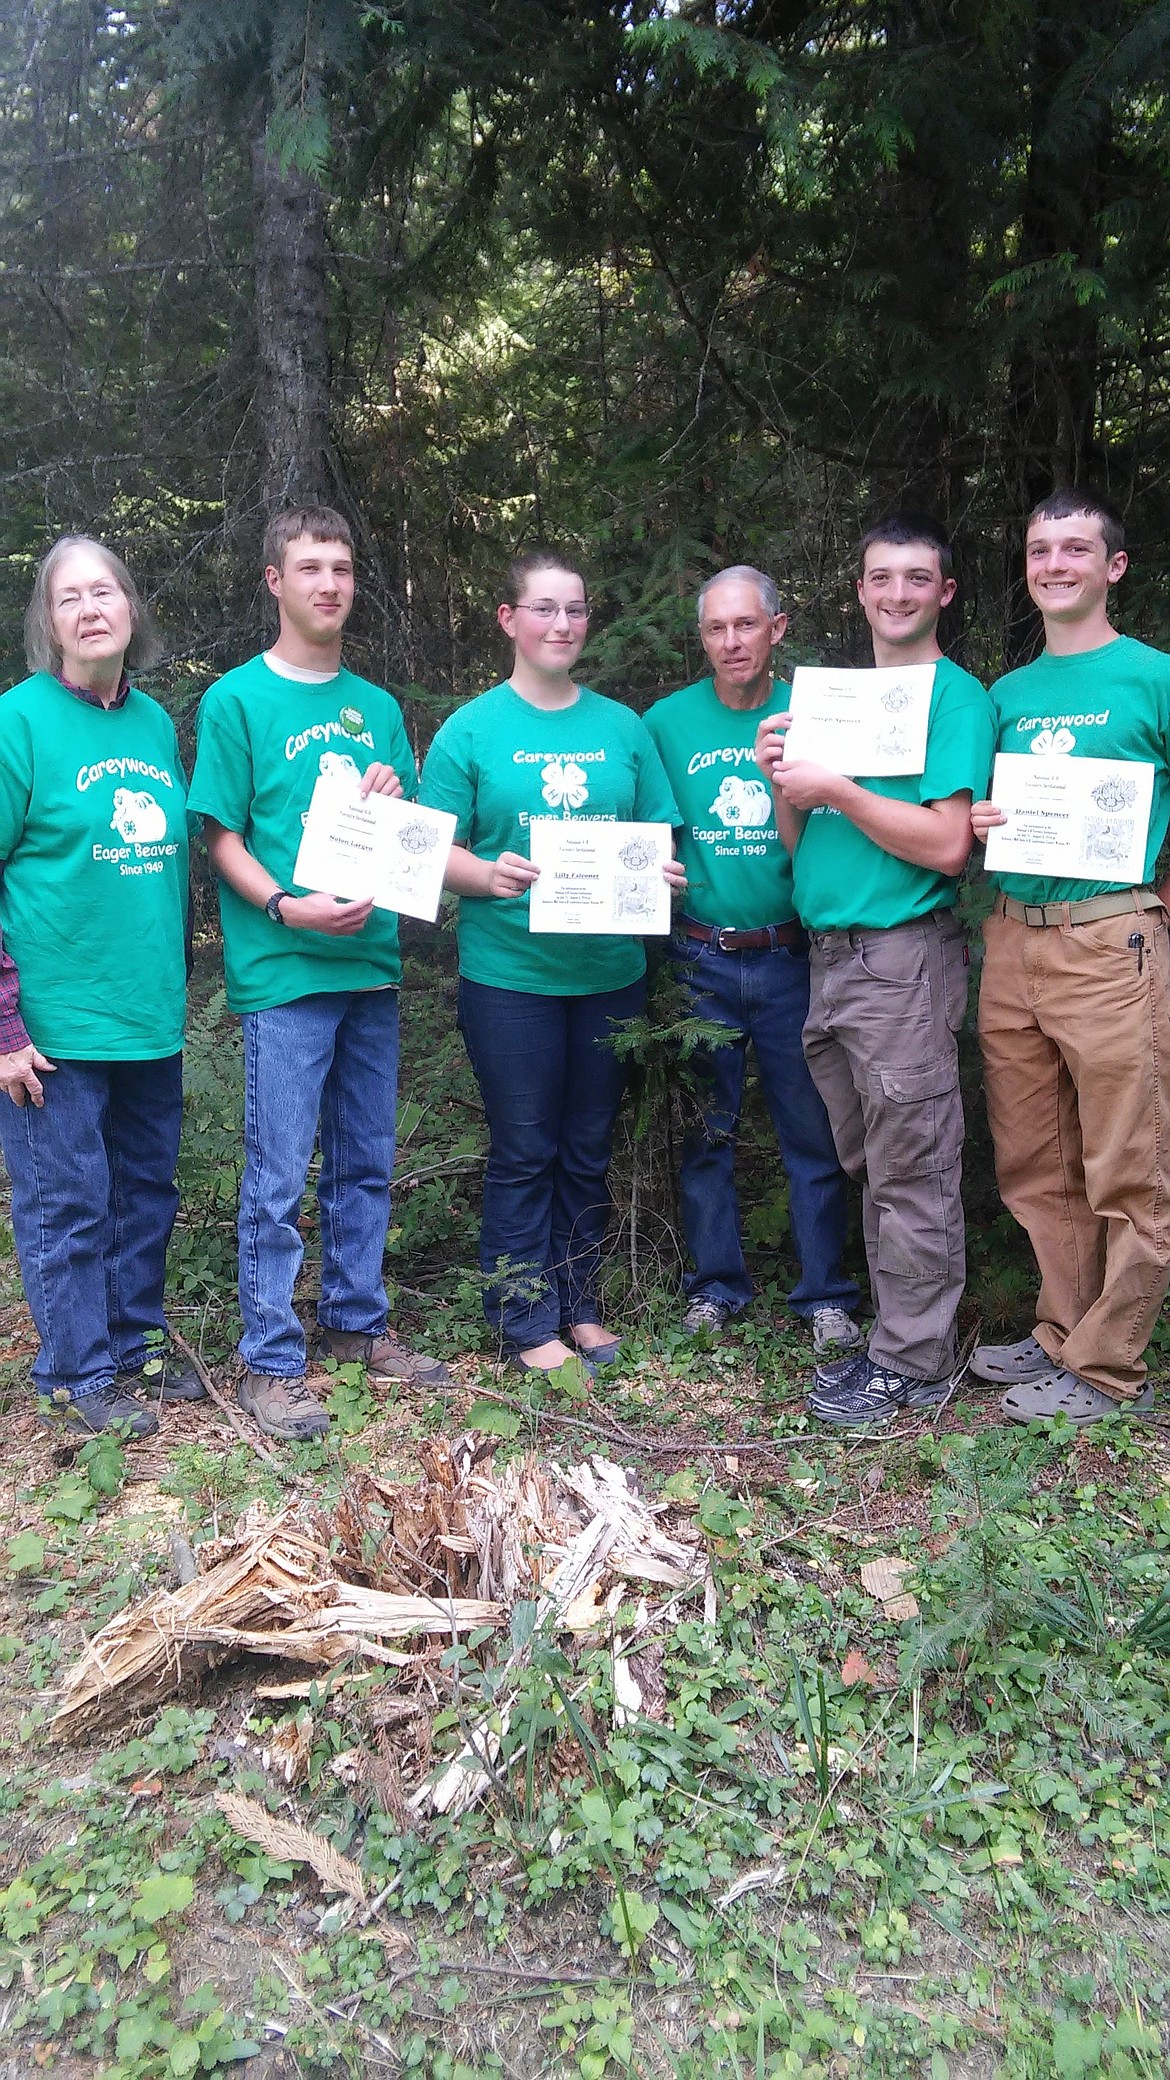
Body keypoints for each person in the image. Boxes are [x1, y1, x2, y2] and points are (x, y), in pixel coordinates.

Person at [188, 505, 448, 1442]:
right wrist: (283, 907)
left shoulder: (376, 708)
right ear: (275, 581)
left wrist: (389, 798)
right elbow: (218, 832)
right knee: (278, 1172)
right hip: (285, 964)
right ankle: (268, 1358)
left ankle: (354, 1325)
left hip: (368, 965)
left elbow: (406, 840)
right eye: (310, 568)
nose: (329, 584)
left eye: (341, 567)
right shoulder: (237, 700)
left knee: (367, 1162)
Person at [418, 546, 683, 1377]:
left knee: (586, 1148)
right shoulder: (472, 728)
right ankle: (523, 1314)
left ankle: (582, 1304)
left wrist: (664, 873)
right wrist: (484, 875)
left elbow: (659, 838)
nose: (562, 624)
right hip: (511, 979)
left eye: (574, 610)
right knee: (525, 1148)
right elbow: (429, 852)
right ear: (509, 619)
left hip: (609, 974)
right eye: (544, 608)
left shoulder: (620, 727)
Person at [757, 514, 995, 1425]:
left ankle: (914, 1362)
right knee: (874, 1159)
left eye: (917, 578)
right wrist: (783, 778)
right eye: (880, 577)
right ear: (859, 590)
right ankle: (904, 1335)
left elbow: (944, 847)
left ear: (945, 592)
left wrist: (842, 790)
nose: (897, 594)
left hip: (899, 957)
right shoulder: (839, 702)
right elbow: (800, 841)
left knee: (914, 1166)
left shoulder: (954, 698)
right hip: (830, 958)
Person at [970, 490, 1169, 1425]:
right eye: (1040, 549)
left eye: (1076, 549)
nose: (1055, 564)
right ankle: (1061, 1329)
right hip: (1013, 934)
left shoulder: (1153, 679)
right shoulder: (1007, 695)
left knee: (1127, 1158)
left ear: (1113, 567)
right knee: (1037, 1158)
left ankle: (1106, 1365)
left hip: (1109, 935)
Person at [0, 536, 201, 1437]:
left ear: (131, 608)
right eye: (69, 596)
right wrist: (4, 1024)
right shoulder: (19, 723)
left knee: (146, 1192)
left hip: (146, 1016)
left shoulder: (154, 722)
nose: (90, 608)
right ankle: (76, 1378)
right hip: (55, 1024)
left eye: (105, 591)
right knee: (67, 1205)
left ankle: (132, 1347)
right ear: (49, 621)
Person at [643, 567, 859, 1350]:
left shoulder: (817, 717)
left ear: (777, 627)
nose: (731, 642)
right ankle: (715, 1287)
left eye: (746, 625)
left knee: (814, 1132)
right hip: (702, 954)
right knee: (708, 1134)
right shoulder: (667, 723)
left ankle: (825, 1295)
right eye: (715, 628)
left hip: (794, 957)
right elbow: (643, 825)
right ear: (700, 638)